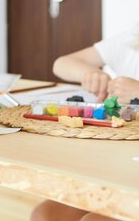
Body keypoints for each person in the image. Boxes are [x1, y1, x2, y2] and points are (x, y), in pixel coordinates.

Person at [31, 27, 139, 221]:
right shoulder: (130, 40)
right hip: (119, 168)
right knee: (45, 215)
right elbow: (61, 64)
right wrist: (89, 73)